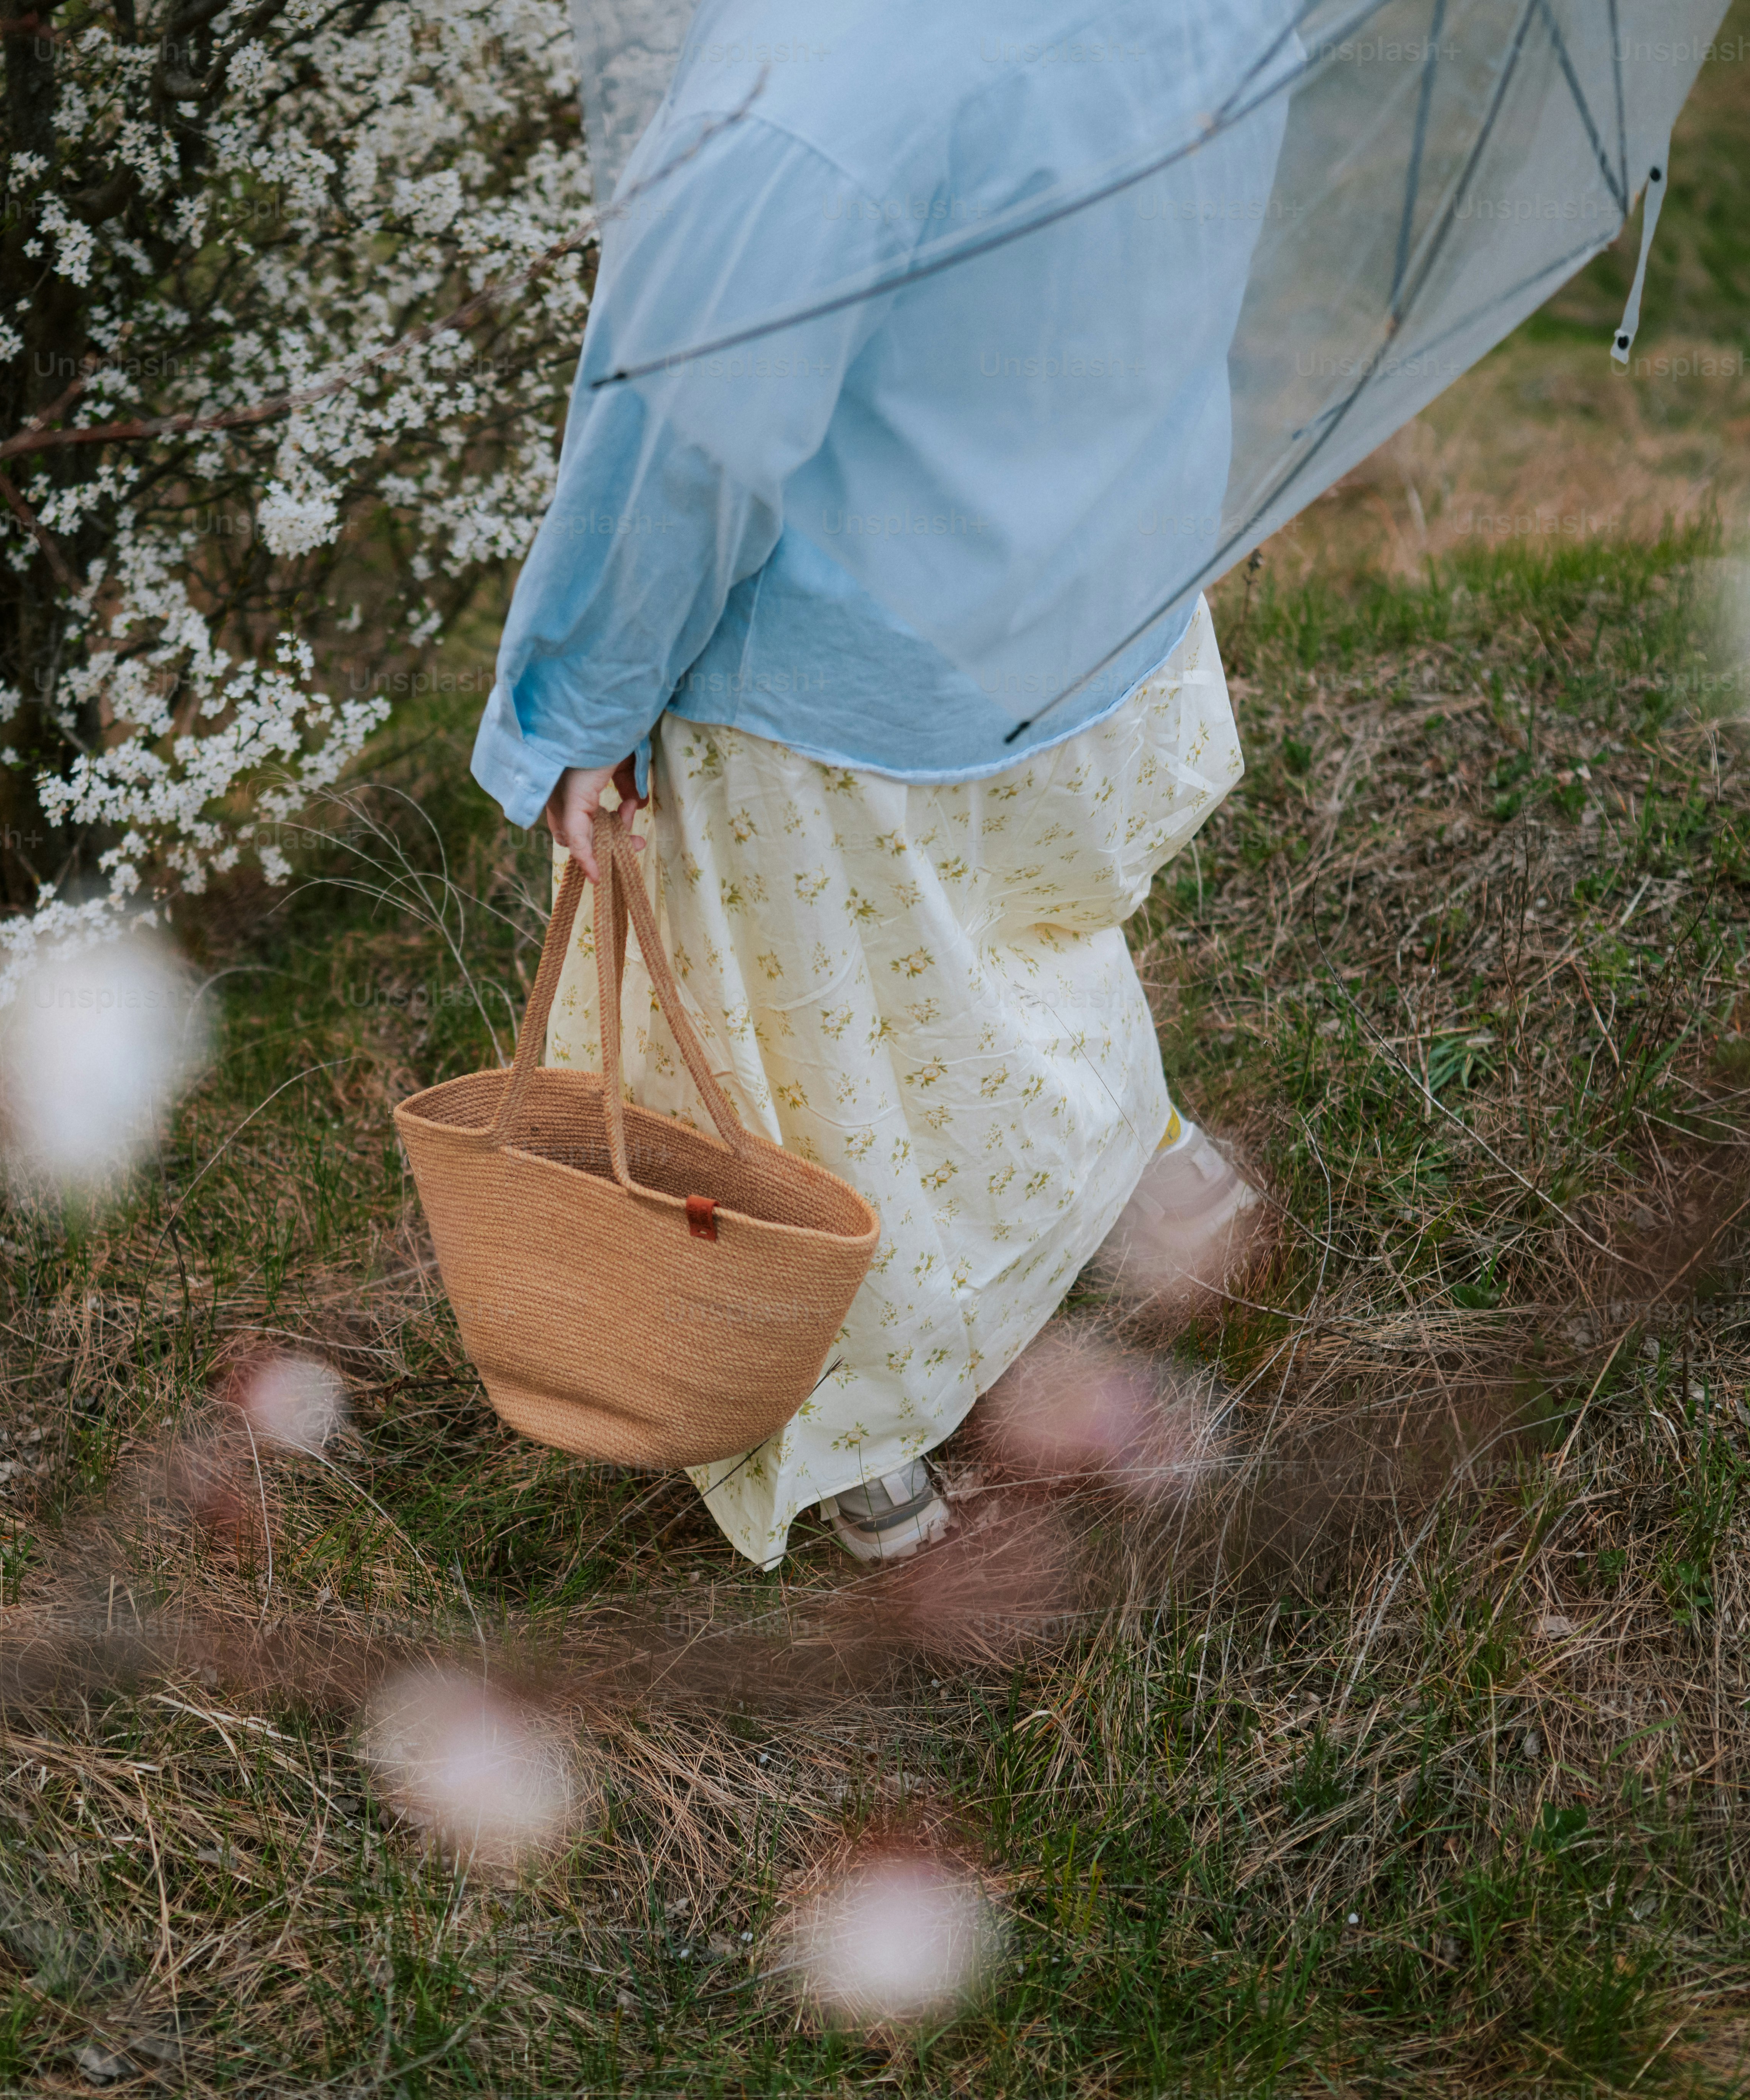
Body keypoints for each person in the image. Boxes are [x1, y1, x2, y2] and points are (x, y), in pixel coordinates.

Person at [472, 0, 1285, 1566]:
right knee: (1010, 939)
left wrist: (586, 702)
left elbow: (686, 441)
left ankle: (866, 1417)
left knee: (820, 1049)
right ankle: (1136, 1156)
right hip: (1098, 588)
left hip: (858, 687)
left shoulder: (812, 92)